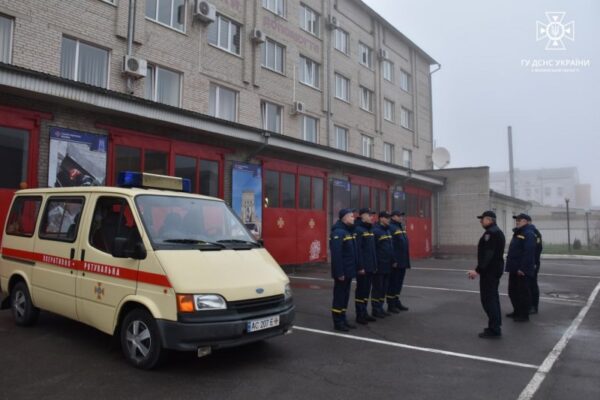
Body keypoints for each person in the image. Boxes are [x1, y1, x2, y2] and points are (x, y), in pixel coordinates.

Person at [468, 210, 506, 338]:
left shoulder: (490, 233)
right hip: (495, 270)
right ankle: (495, 326)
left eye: (482, 219)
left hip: (490, 271)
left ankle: (494, 329)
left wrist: (477, 270)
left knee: (488, 300)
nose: (480, 221)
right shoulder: (497, 231)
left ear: (489, 220)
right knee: (493, 298)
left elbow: (488, 254)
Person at [330, 208, 359, 331]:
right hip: (342, 273)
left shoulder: (347, 231)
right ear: (344, 218)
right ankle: (338, 322)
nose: (353, 218)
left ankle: (343, 319)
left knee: (345, 296)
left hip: (348, 271)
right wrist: (339, 272)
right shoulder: (338, 232)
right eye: (351, 216)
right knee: (339, 297)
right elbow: (336, 255)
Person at [505, 213, 537, 322]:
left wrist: (522, 268)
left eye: (520, 220)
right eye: (516, 220)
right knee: (513, 291)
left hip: (522, 269)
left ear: (526, 221)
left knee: (523, 293)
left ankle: (524, 315)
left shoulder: (528, 233)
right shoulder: (518, 232)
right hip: (514, 268)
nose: (517, 221)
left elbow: (529, 253)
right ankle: (517, 311)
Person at [354, 207, 378, 325]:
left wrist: (374, 264)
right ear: (363, 216)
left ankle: (365, 312)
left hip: (370, 266)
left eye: (372, 215)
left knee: (366, 291)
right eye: (369, 215)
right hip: (363, 267)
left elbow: (372, 250)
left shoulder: (369, 229)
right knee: (361, 291)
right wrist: (360, 267)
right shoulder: (358, 230)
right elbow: (358, 250)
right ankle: (360, 314)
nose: (371, 217)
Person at [387, 210, 411, 313]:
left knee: (399, 283)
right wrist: (394, 260)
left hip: (403, 261)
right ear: (393, 217)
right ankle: (391, 304)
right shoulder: (391, 227)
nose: (401, 217)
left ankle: (396, 301)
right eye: (399, 215)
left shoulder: (400, 227)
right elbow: (390, 246)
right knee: (393, 283)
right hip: (396, 262)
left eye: (401, 215)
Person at [371, 211, 393, 318]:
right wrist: (375, 264)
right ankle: (375, 309)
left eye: (389, 218)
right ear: (381, 218)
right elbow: (373, 250)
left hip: (387, 265)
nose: (389, 219)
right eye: (387, 217)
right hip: (379, 265)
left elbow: (390, 248)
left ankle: (380, 307)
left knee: (384, 288)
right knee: (377, 288)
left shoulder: (387, 230)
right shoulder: (376, 231)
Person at [530, 221, 543, 314]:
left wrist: (534, 262)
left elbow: (537, 249)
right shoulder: (523, 231)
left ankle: (534, 306)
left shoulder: (535, 233)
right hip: (527, 263)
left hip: (533, 262)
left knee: (532, 284)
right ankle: (528, 305)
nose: (517, 222)